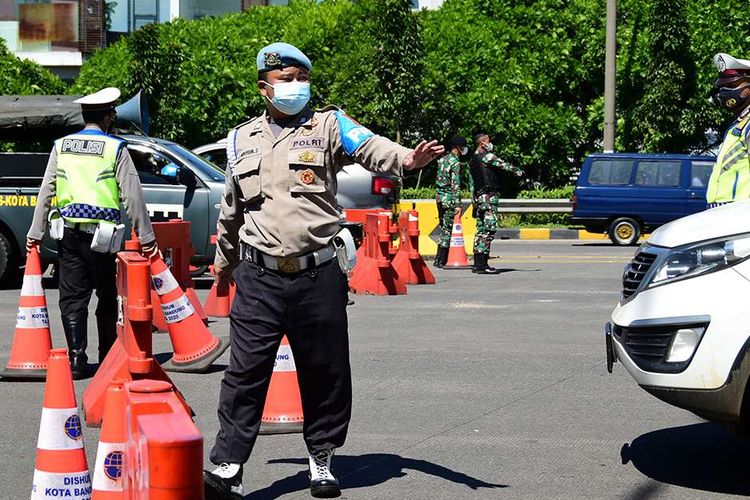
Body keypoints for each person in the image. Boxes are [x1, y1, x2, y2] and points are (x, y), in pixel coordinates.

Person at [204, 42, 443, 500]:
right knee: (244, 372)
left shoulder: (328, 126)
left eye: (300, 78)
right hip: (258, 275)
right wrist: (223, 265)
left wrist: (408, 160)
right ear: (264, 87)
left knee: (326, 371)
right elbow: (231, 210)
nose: (295, 87)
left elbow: (370, 146)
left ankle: (322, 459)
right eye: (285, 80)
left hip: (318, 274)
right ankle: (228, 465)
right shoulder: (240, 140)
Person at [26, 87, 158, 379]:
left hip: (68, 235)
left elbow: (46, 190)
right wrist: (147, 238)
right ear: (109, 116)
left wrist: (35, 233)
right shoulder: (115, 148)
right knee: (107, 295)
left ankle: (76, 360)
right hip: (103, 238)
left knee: (72, 297)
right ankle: (108, 357)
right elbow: (132, 197)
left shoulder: (61, 146)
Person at [469, 133, 523, 274]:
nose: (490, 143)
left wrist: (474, 202)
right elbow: (505, 166)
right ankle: (483, 265)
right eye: (488, 141)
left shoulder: (473, 159)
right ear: (482, 144)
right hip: (489, 197)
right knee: (488, 230)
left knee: (480, 230)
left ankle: (478, 263)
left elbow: (472, 184)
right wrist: (520, 173)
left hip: (480, 198)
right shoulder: (487, 156)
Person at [707, 53, 750, 207]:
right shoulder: (737, 125)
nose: (723, 92)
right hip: (722, 210)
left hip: (737, 212)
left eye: (731, 86)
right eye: (722, 87)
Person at [433, 135, 467, 267]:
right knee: (448, 230)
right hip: (449, 198)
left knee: (443, 227)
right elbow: (455, 184)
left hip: (439, 197)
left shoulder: (442, 160)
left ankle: (439, 259)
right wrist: (458, 203)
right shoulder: (455, 162)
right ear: (458, 147)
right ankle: (441, 260)